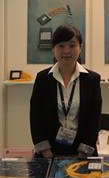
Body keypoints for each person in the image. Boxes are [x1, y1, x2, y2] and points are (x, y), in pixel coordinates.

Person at [30, 25, 102, 158]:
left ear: (80, 48)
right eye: (61, 45)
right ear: (53, 48)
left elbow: (94, 119)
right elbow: (36, 118)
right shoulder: (43, 79)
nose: (66, 51)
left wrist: (82, 153)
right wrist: (47, 153)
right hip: (49, 152)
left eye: (72, 45)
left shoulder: (92, 80)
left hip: (83, 152)